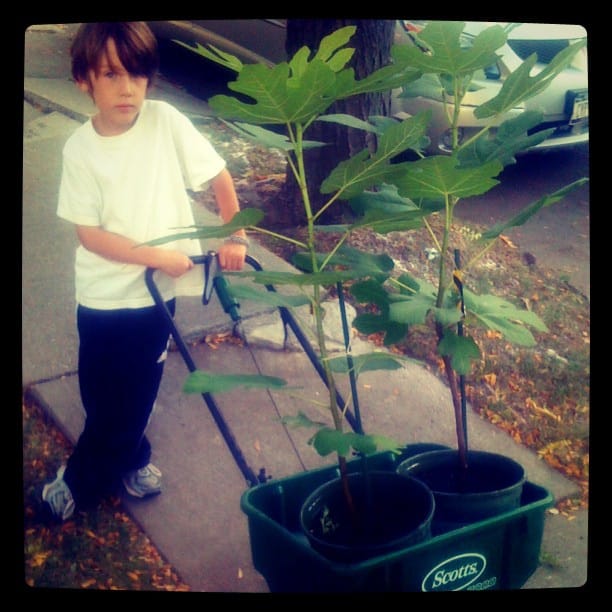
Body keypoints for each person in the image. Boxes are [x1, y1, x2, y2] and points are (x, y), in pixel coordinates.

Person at [42, 22, 248, 520]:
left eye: (136, 74)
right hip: (101, 295)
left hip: (155, 300)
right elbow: (89, 234)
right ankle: (135, 456)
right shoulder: (81, 150)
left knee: (135, 395)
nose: (127, 88)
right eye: (111, 74)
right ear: (84, 80)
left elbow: (217, 175)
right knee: (100, 391)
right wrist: (156, 256)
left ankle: (77, 483)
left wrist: (234, 233)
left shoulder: (165, 122)